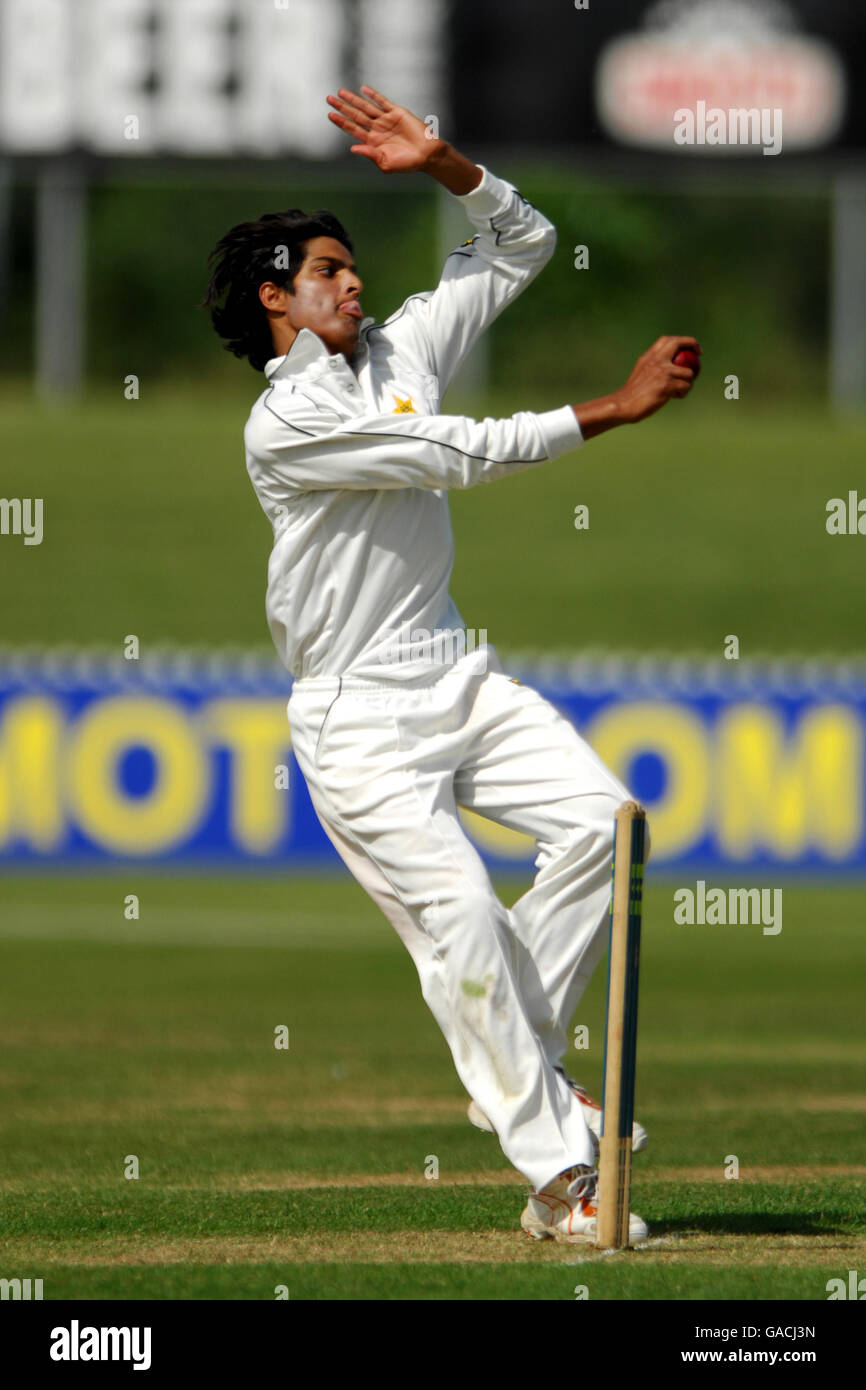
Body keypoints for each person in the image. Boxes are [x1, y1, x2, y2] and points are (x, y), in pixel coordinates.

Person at [203, 84, 699, 1245]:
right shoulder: (285, 424)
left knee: (605, 825)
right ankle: (560, 1182)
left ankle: (521, 1063)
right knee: (462, 919)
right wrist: (613, 411)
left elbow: (521, 242)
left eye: (354, 263)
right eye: (326, 269)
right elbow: (455, 452)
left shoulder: (402, 345)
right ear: (275, 297)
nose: (354, 281)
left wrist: (445, 165)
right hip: (355, 720)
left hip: (455, 672)